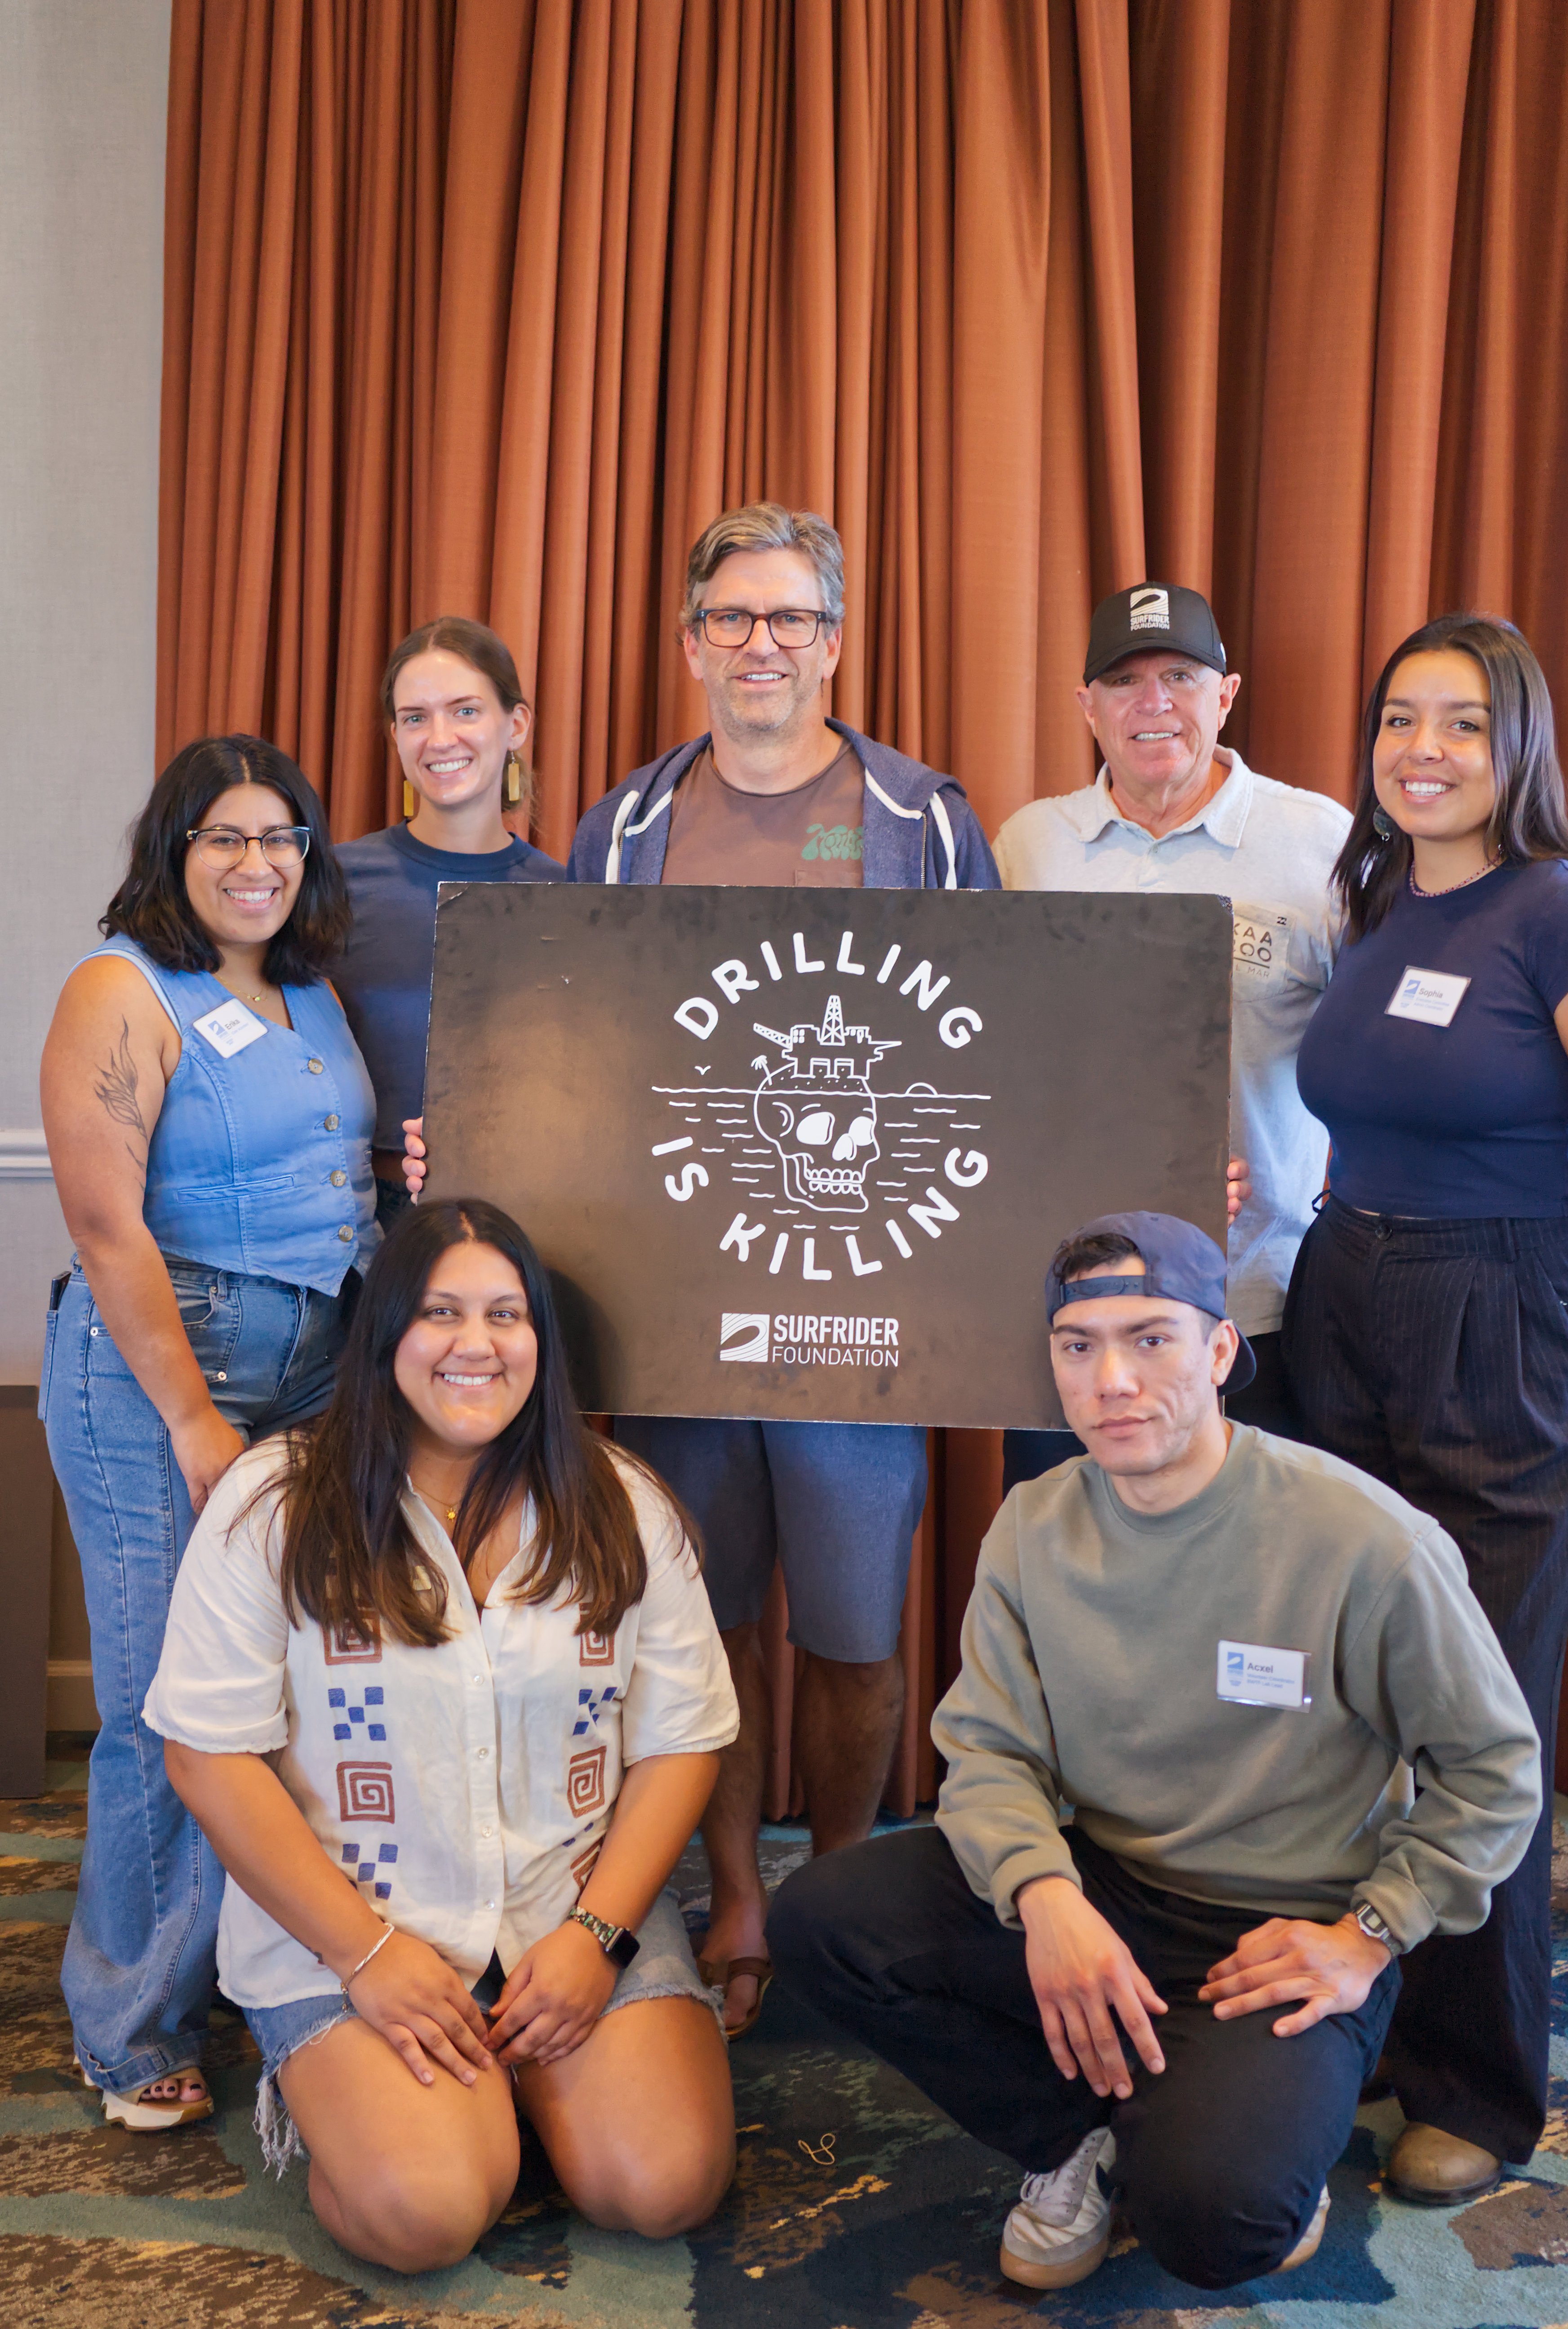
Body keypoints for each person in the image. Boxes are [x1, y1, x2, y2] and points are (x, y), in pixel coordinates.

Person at [768, 1213, 1541, 2292]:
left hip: (1281, 1934)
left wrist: (1370, 1932)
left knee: (1219, 2219)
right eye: (1077, 1346)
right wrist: (1046, 1898)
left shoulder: (1362, 1538)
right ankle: (1065, 2136)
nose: (1111, 1379)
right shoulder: (1032, 1524)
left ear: (1221, 1351)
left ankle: (1231, 2115)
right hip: (1107, 1887)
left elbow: (1494, 1767)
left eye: (1150, 1338)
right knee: (817, 1918)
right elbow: (987, 1750)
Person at [564, 501, 1001, 2035]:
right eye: (735, 620)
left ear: (833, 641)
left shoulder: (921, 816)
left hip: (867, 1297)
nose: (764, 646)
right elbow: (587, 1051)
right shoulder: (620, 826)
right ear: (690, 645)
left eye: (792, 620)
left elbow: (994, 1039)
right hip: (681, 1299)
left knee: (855, 1626)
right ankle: (736, 1896)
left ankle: (839, 1888)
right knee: (703, 1618)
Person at [145, 1198, 737, 2272]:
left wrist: (597, 1935)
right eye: (439, 1314)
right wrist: (364, 1954)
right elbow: (207, 1755)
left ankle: (525, 2096)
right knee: (423, 2214)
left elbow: (682, 1742)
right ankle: (408, 2106)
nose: (476, 1344)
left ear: (541, 1342)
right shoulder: (271, 1505)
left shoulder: (624, 1503)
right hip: (357, 1923)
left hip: (568, 1908)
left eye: (506, 1314)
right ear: (384, 1339)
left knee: (662, 2187)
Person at [1284, 612, 1568, 2204]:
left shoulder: (1562, 909)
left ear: (1518, 750)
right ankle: (1367, 2021)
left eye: (1463, 725)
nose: (1423, 750)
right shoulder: (1378, 894)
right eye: (1399, 719)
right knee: (1356, 1681)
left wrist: (1559, 1309)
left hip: (1506, 1303)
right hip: (1344, 1288)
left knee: (1477, 1700)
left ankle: (1481, 2089)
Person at [39, 735, 379, 2130]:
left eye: (281, 836)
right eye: (225, 838)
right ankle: (126, 2025)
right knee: (159, 1705)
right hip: (163, 1375)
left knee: (274, 1696)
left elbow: (329, 1164)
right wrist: (191, 1414)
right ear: (174, 850)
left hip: (318, 1368)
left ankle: (249, 1965)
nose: (256, 863)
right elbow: (105, 1217)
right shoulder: (120, 987)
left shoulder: (305, 987)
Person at [994, 583, 1349, 1479]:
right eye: (1122, 681)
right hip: (1077, 1307)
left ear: (1223, 695)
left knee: (1247, 1591)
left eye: (1178, 677)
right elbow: (987, 1062)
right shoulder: (1027, 847)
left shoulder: (1318, 844)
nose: (1151, 703)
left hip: (1257, 1305)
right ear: (1085, 705)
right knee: (1069, 1578)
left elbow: (1379, 1063)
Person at [333, 618, 564, 1233]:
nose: (440, 738)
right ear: (395, 736)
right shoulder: (333, 883)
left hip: (520, 1222)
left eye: (464, 710)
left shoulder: (567, 897)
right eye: (415, 717)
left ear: (515, 725)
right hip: (357, 1223)